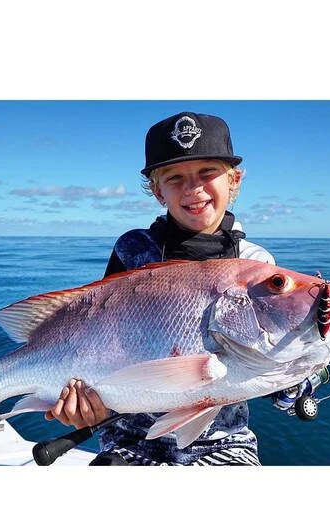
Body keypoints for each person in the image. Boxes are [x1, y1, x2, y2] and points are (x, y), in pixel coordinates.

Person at [45, 111, 275, 465]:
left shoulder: (256, 265)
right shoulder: (133, 250)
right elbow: (96, 333)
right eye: (175, 177)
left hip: (224, 443)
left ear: (234, 180)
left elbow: (266, 356)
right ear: (156, 190)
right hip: (129, 439)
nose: (193, 189)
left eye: (207, 172)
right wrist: (89, 407)